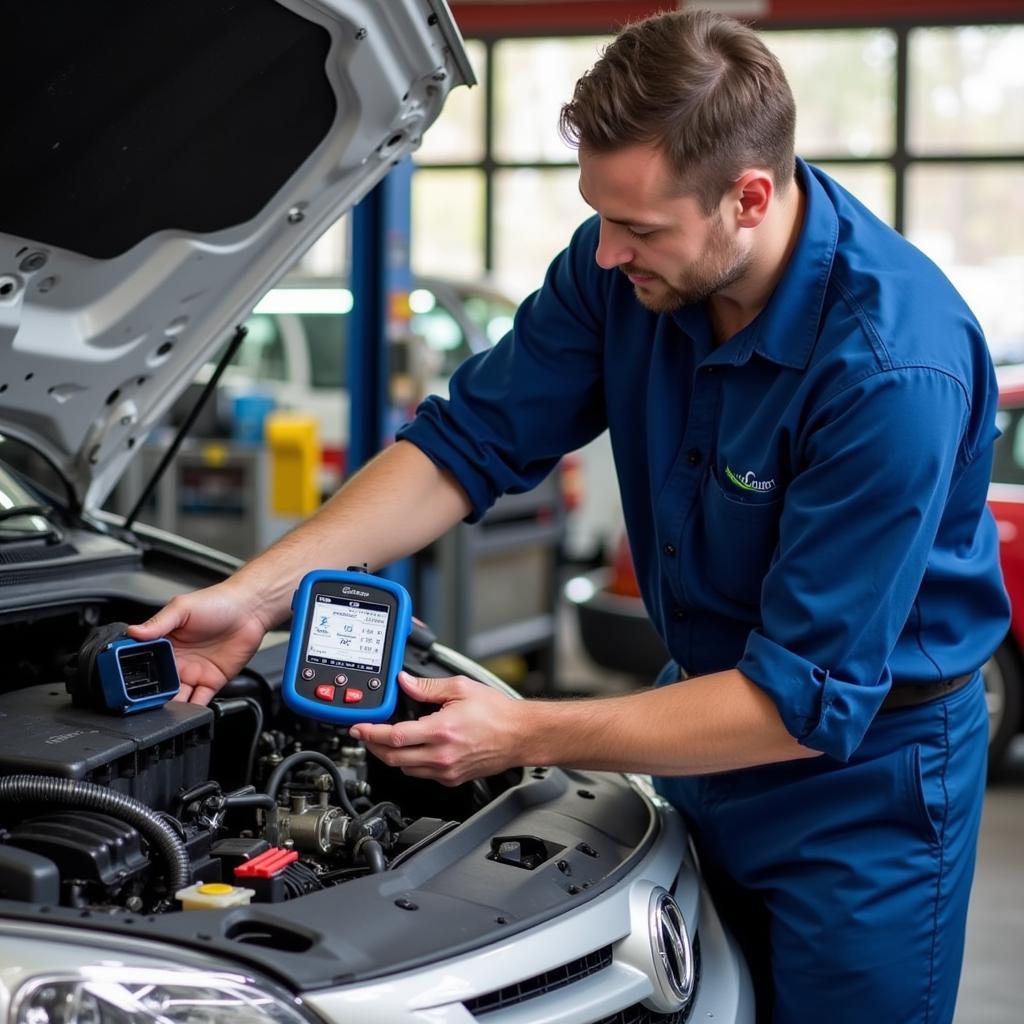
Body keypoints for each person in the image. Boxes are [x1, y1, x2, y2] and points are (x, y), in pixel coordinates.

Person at [130, 10, 1009, 1022]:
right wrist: (255, 593)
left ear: (749, 197)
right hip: (698, 725)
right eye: (600, 216)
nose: (605, 255)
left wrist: (524, 731)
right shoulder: (623, 273)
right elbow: (464, 446)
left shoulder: (891, 369)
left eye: (639, 228)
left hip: (868, 789)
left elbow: (802, 703)